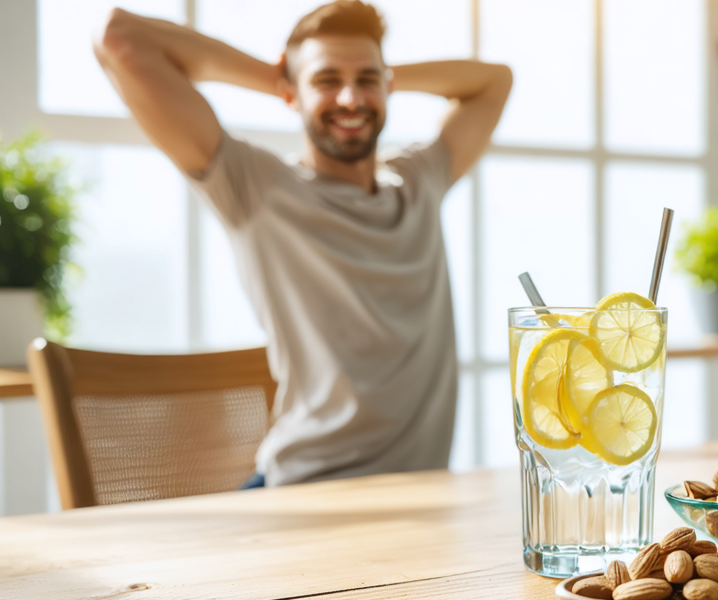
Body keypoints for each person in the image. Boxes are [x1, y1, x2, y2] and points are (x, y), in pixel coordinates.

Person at [93, 1, 511, 487]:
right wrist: (280, 76)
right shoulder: (257, 187)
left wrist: (366, 76)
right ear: (291, 92)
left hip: (419, 493)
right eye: (326, 80)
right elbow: (120, 38)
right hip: (303, 487)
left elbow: (495, 81)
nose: (351, 98)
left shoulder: (420, 180)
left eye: (368, 80)